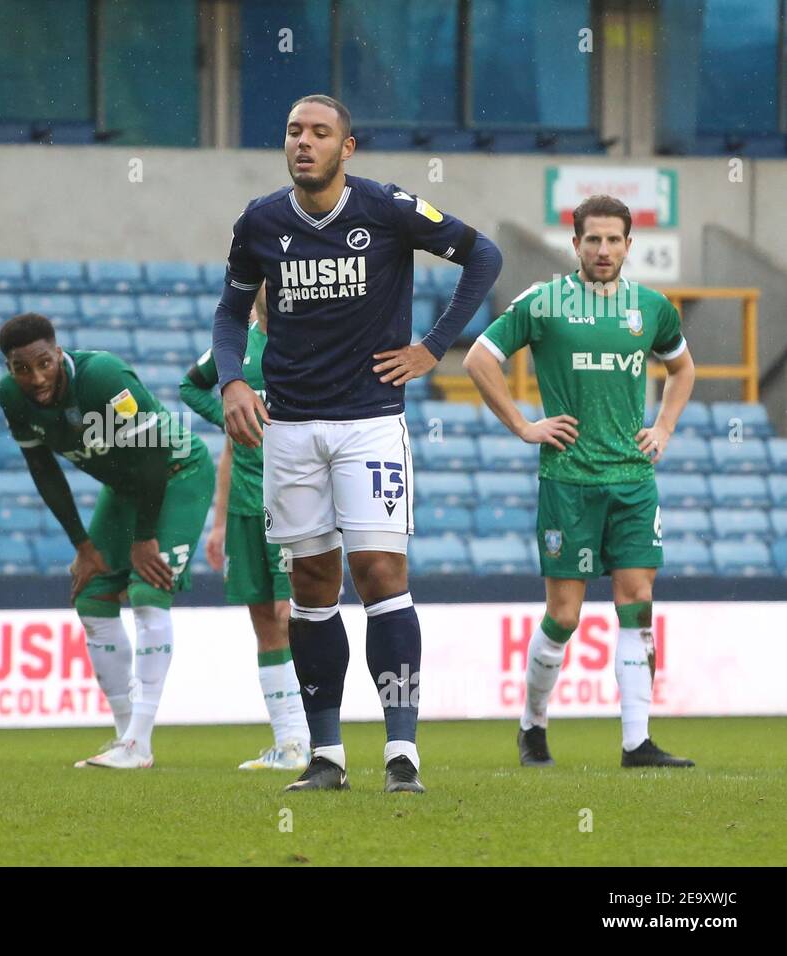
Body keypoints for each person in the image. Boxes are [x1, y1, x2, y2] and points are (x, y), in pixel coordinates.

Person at [213, 94, 503, 793]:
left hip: (370, 421)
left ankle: (402, 752)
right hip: (290, 427)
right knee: (311, 587)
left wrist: (435, 347)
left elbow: (483, 256)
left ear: (348, 148)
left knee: (378, 572)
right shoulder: (261, 221)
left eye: (319, 132)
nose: (303, 142)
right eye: (293, 131)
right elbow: (230, 312)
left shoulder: (386, 208)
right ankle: (327, 756)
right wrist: (231, 383)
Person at [463, 194, 697, 769]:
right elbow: (478, 358)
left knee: (637, 601)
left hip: (632, 478)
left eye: (614, 239)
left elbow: (682, 367)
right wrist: (523, 424)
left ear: (628, 245)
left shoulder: (652, 308)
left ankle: (637, 742)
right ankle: (533, 725)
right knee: (564, 616)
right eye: (592, 239)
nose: (603, 250)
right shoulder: (544, 303)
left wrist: (663, 427)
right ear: (575, 244)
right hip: (568, 480)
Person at [0, 313, 213, 769]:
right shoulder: (12, 398)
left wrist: (145, 537)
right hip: (126, 487)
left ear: (58, 353)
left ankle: (139, 743)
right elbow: (44, 470)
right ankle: (125, 738)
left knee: (148, 590)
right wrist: (82, 545)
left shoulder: (103, 377)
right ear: (9, 368)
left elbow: (154, 454)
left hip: (176, 474)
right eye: (21, 368)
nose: (35, 378)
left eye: (43, 363)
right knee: (93, 596)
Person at [181, 286, 309, 770]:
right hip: (243, 507)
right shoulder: (234, 347)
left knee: (290, 617)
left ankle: (317, 737)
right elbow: (190, 386)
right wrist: (232, 415)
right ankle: (290, 742)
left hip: (297, 502)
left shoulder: (307, 338)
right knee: (263, 621)